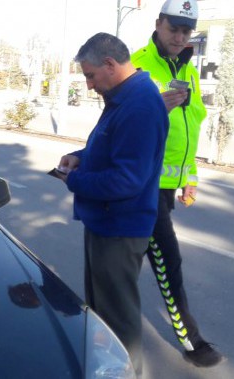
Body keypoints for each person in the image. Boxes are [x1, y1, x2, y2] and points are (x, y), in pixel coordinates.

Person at [53, 32, 168, 376]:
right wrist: (78, 157)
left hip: (120, 228)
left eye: (90, 76)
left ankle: (127, 374)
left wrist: (73, 180)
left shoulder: (139, 105)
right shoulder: (124, 98)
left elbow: (126, 179)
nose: (89, 85)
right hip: (106, 223)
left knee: (118, 321)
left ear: (110, 64)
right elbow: (108, 149)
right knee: (102, 313)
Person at [129, 0, 225, 367]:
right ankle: (193, 342)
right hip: (143, 183)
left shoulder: (189, 69)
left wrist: (190, 178)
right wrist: (157, 107)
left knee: (123, 262)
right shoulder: (137, 65)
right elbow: (121, 123)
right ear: (158, 24)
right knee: (168, 262)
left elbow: (193, 125)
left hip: (169, 186)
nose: (180, 37)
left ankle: (95, 317)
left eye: (186, 31)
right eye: (174, 29)